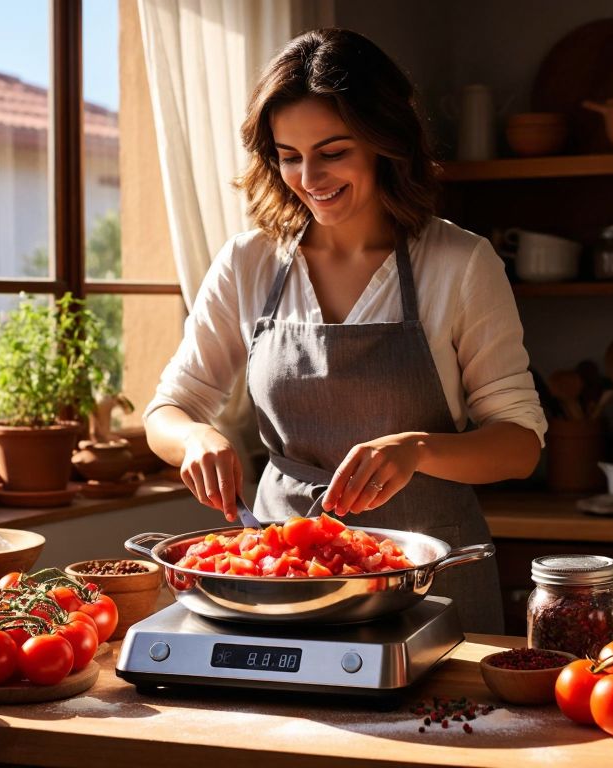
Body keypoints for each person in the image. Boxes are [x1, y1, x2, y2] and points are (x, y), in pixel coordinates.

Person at [143, 28, 545, 633]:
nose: (309, 177)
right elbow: (169, 408)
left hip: (427, 581)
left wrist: (421, 449)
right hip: (285, 577)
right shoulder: (248, 263)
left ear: (387, 143)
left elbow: (521, 445)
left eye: (333, 152)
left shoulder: (459, 263)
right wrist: (196, 437)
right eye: (288, 155)